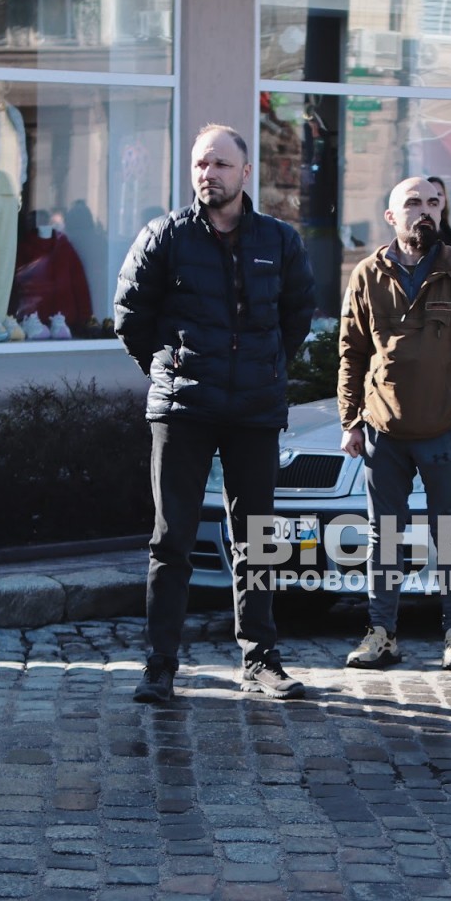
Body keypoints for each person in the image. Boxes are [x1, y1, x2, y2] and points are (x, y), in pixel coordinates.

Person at [114, 124, 318, 704]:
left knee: (256, 537)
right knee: (170, 539)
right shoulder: (166, 236)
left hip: (254, 410)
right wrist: (168, 369)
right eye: (202, 164)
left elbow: (298, 312)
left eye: (222, 165)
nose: (210, 174)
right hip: (184, 411)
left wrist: (268, 365)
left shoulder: (278, 241)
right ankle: (160, 665)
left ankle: (261, 660)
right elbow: (130, 314)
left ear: (245, 172)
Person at [338, 177, 451, 673]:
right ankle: (381, 633)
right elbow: (351, 353)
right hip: (382, 431)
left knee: (449, 534)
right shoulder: (368, 274)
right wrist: (350, 420)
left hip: (443, 429)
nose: (424, 211)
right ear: (391, 217)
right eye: (413, 203)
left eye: (433, 203)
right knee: (383, 535)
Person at [427, 175, 451, 248]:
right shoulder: (419, 231)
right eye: (431, 193)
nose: (435, 198)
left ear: (445, 199)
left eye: (439, 194)